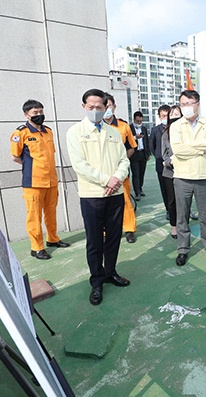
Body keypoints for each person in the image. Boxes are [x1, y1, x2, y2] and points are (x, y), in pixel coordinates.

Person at [66, 88, 131, 306]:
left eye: (99, 107)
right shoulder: (75, 132)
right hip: (92, 194)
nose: (95, 110)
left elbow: (124, 160)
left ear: (106, 107)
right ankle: (96, 281)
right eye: (91, 107)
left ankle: (110, 272)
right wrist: (107, 180)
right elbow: (80, 165)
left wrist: (117, 179)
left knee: (113, 237)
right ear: (84, 106)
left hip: (115, 194)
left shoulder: (113, 132)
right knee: (94, 241)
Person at [170, 90, 206, 266]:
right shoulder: (176, 126)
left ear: (198, 104)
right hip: (182, 177)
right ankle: (183, 249)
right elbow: (178, 150)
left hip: (203, 176)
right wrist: (202, 149)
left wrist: (194, 147)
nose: (185, 107)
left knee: (205, 216)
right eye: (182, 104)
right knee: (182, 216)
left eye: (189, 103)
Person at [10, 99, 70, 260]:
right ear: (26, 114)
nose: (39, 115)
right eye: (35, 112)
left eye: (41, 111)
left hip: (51, 180)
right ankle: (36, 247)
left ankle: (52, 238)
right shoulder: (20, 133)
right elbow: (15, 156)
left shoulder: (48, 131)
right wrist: (32, 167)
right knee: (34, 215)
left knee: (51, 212)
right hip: (33, 182)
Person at [103, 92, 139, 243]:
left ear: (114, 106)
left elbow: (132, 146)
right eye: (103, 106)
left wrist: (123, 161)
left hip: (122, 172)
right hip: (102, 174)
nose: (106, 109)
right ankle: (105, 231)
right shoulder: (95, 127)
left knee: (125, 201)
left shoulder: (124, 126)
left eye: (109, 105)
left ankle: (129, 229)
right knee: (104, 203)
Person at [161, 105, 183, 239]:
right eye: (172, 114)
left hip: (185, 171)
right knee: (172, 201)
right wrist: (170, 161)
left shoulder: (186, 132)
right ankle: (174, 226)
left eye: (177, 114)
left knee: (184, 201)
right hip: (170, 172)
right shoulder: (165, 133)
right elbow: (164, 154)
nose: (175, 116)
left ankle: (183, 224)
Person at [149, 105, 171, 218]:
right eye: (163, 116)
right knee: (165, 188)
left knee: (179, 188)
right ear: (159, 116)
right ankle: (169, 210)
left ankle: (183, 210)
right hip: (160, 164)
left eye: (167, 115)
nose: (165, 117)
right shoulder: (155, 130)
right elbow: (151, 146)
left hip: (174, 163)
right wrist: (159, 156)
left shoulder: (175, 127)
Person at [129, 111, 150, 199]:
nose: (139, 123)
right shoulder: (129, 128)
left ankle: (140, 189)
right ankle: (137, 192)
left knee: (142, 173)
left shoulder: (144, 129)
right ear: (134, 120)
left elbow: (146, 142)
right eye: (137, 121)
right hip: (134, 154)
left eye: (140, 121)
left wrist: (148, 153)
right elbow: (127, 140)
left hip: (143, 153)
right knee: (136, 174)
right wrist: (135, 137)